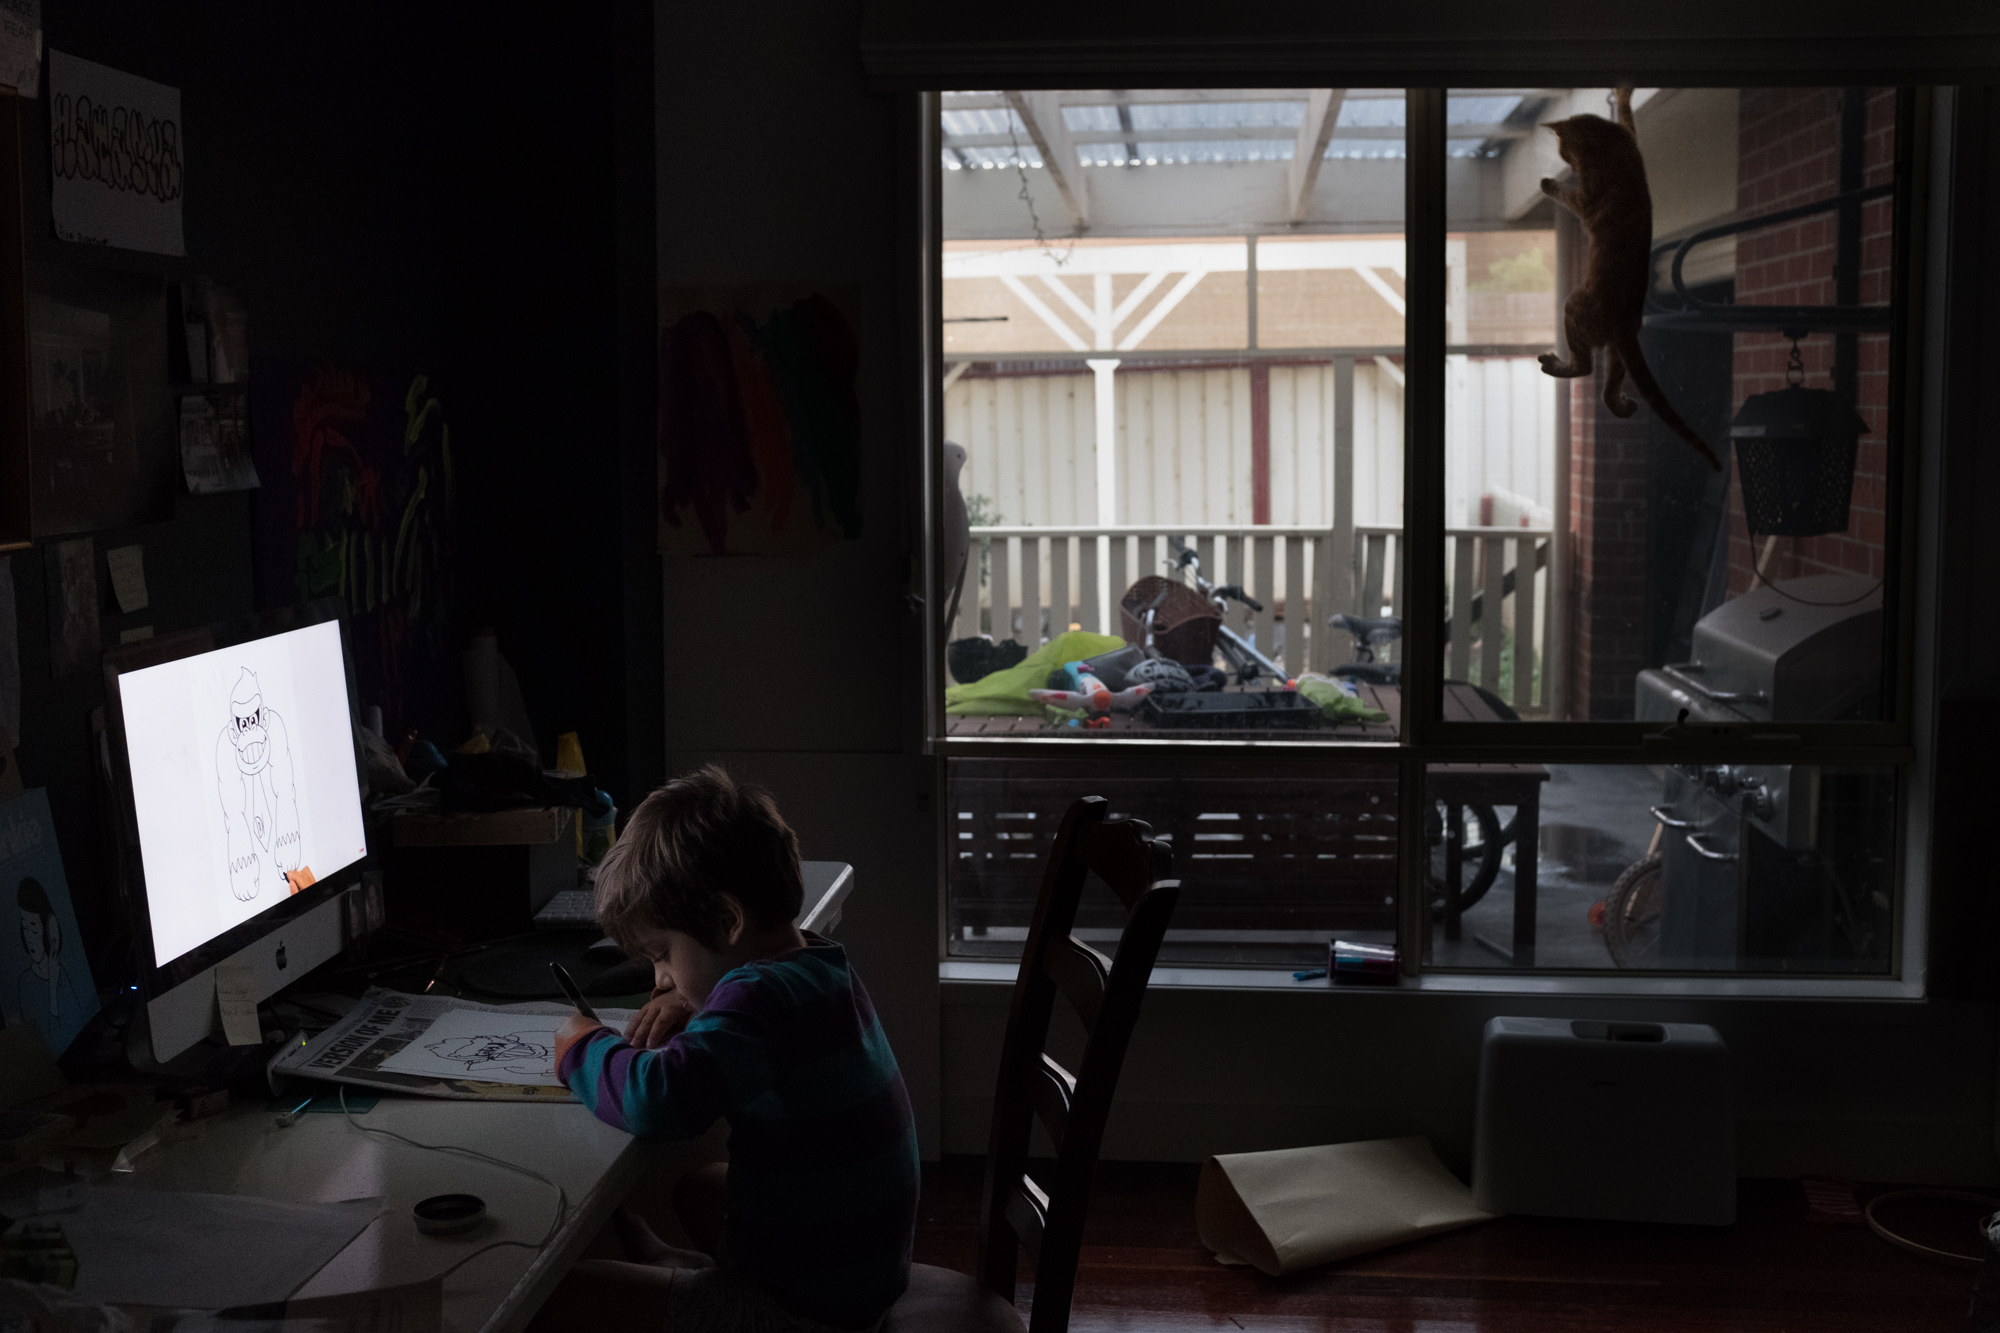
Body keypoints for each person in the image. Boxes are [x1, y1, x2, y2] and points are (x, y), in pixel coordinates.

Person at [536, 766, 918, 1333]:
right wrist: (699, 999)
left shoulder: (758, 1001)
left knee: (565, 1297)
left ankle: (707, 1293)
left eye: (662, 953)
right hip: (860, 1272)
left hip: (814, 1310)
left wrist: (581, 1048)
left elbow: (661, 1100)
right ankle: (689, 1277)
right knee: (698, 1188)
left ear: (726, 919)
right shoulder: (815, 965)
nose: (660, 978)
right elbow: (759, 1019)